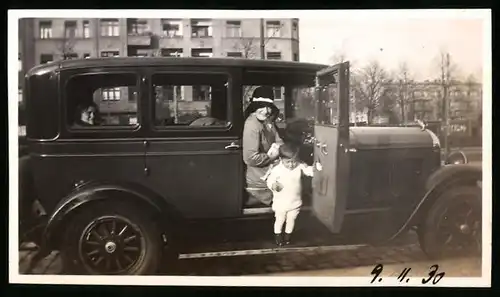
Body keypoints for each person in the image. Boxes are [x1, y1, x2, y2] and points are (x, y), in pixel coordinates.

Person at [263, 144, 322, 246]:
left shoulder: (299, 166)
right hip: (280, 202)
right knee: (280, 219)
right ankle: (278, 237)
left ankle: (287, 237)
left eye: (293, 161)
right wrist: (274, 185)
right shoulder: (277, 170)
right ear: (281, 159)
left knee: (291, 219)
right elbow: (270, 180)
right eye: (288, 162)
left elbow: (309, 171)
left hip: (295, 201)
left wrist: (316, 168)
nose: (291, 165)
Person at [242, 86, 284, 206]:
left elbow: (279, 141)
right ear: (254, 107)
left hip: (273, 173)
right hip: (261, 180)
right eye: (261, 106)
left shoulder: (268, 121)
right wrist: (271, 157)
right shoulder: (252, 125)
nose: (265, 111)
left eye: (269, 107)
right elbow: (250, 158)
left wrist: (278, 148)